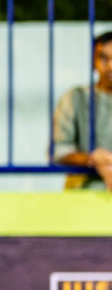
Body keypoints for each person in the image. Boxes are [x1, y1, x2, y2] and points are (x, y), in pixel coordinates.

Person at [53, 31, 112, 189]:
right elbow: (59, 151)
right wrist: (93, 160)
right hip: (83, 193)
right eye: (103, 58)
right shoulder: (74, 98)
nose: (110, 66)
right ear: (93, 61)